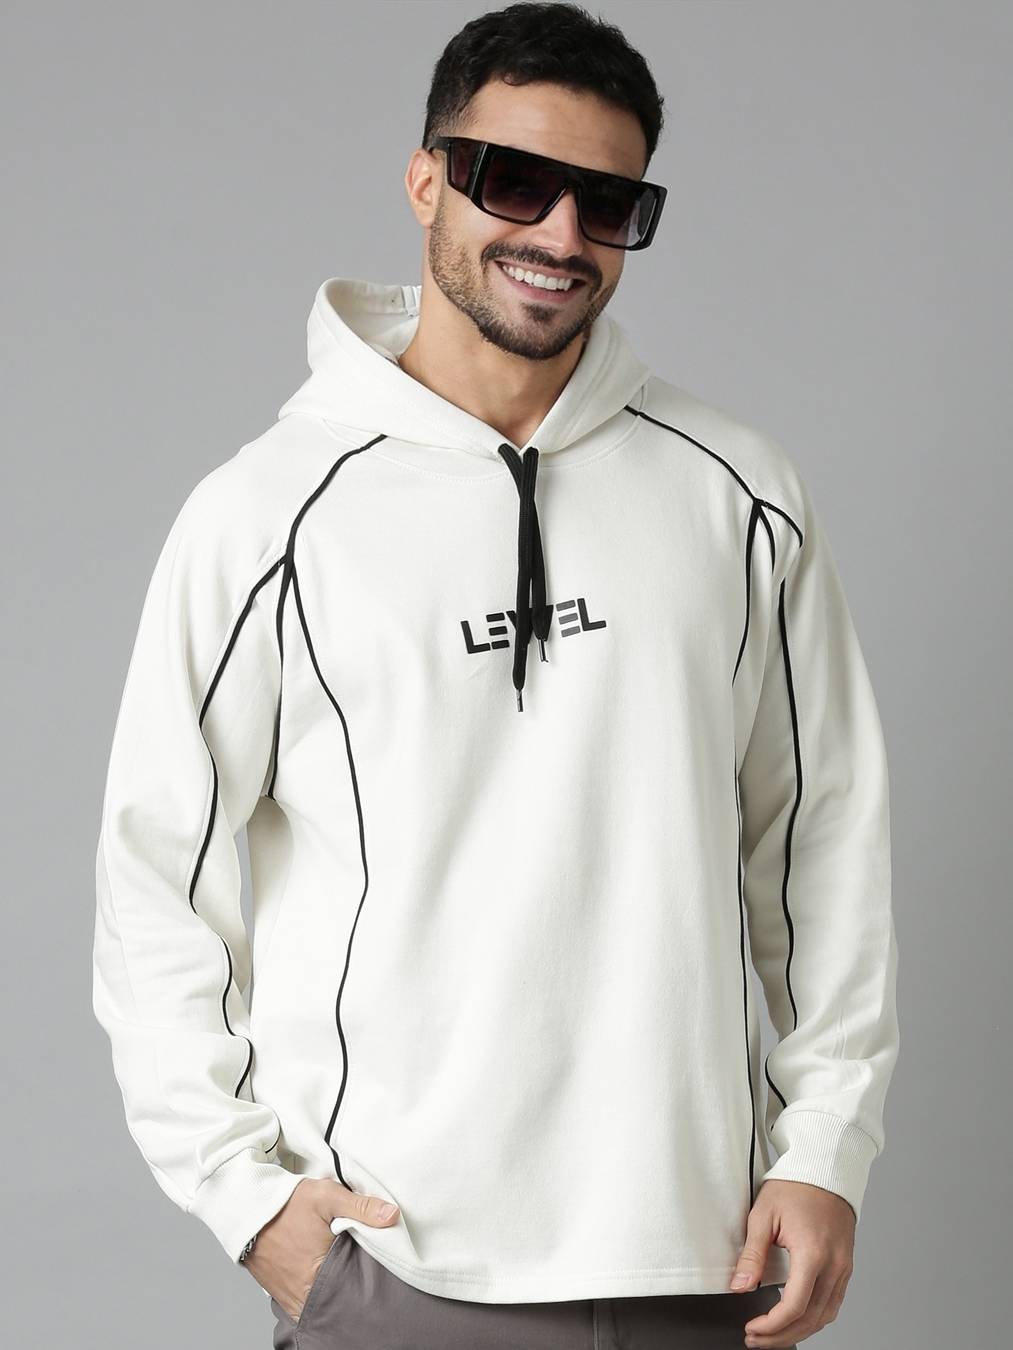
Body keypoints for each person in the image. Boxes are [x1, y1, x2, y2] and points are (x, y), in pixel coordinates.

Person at [91, 4, 899, 1347]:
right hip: (394, 1263)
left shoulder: (739, 493)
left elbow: (820, 842)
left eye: (608, 204)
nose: (561, 235)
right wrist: (246, 1200)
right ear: (426, 180)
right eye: (512, 180)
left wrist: (824, 1147)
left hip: (699, 1252)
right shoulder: (267, 515)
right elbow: (154, 876)